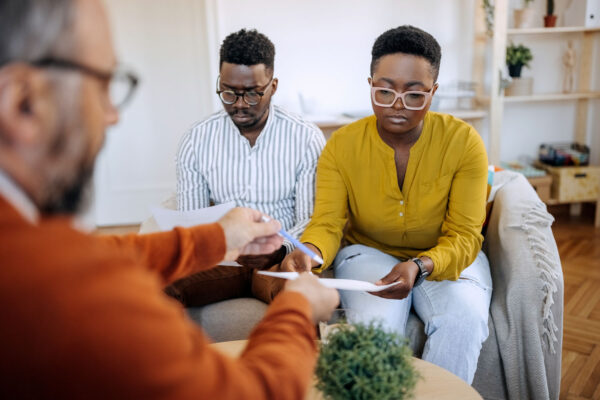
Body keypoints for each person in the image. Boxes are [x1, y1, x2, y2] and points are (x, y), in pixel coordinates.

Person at [0, 0, 339, 398]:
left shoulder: (39, 248)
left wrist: (223, 237)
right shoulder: (52, 279)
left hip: (276, 254)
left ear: (272, 87)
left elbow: (94, 257)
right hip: (225, 264)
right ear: (21, 101)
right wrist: (296, 309)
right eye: (102, 85)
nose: (113, 115)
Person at [281, 25, 492, 384]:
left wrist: (420, 265)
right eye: (384, 91)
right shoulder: (341, 145)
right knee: (377, 326)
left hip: (447, 256)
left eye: (414, 95)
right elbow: (328, 223)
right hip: (369, 253)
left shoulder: (464, 142)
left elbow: (466, 236)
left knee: (464, 318)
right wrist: (310, 252)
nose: (396, 106)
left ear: (433, 92)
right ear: (370, 85)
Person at [169, 28, 326, 306]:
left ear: (273, 86)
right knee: (154, 286)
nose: (240, 105)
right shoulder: (196, 140)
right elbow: (191, 220)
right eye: (229, 93)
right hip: (223, 259)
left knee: (305, 300)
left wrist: (279, 250)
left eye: (252, 94)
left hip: (281, 259)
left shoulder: (305, 137)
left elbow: (312, 219)